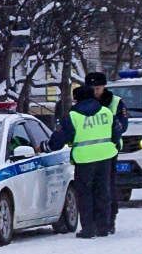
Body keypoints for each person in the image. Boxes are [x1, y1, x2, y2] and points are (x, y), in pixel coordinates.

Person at [49, 81, 126, 237]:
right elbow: (117, 132)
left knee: (85, 194)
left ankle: (88, 229)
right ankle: (103, 227)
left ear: (76, 99)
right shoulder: (106, 112)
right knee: (103, 191)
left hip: (84, 160)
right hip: (106, 157)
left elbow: (60, 138)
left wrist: (48, 146)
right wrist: (114, 147)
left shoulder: (73, 115)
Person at [85, 71, 128, 231]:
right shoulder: (84, 103)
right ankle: (95, 221)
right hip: (88, 151)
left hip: (109, 151)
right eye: (92, 88)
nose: (95, 91)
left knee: (107, 187)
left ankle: (109, 220)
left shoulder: (115, 102)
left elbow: (122, 125)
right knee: (92, 188)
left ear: (104, 86)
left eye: (98, 87)